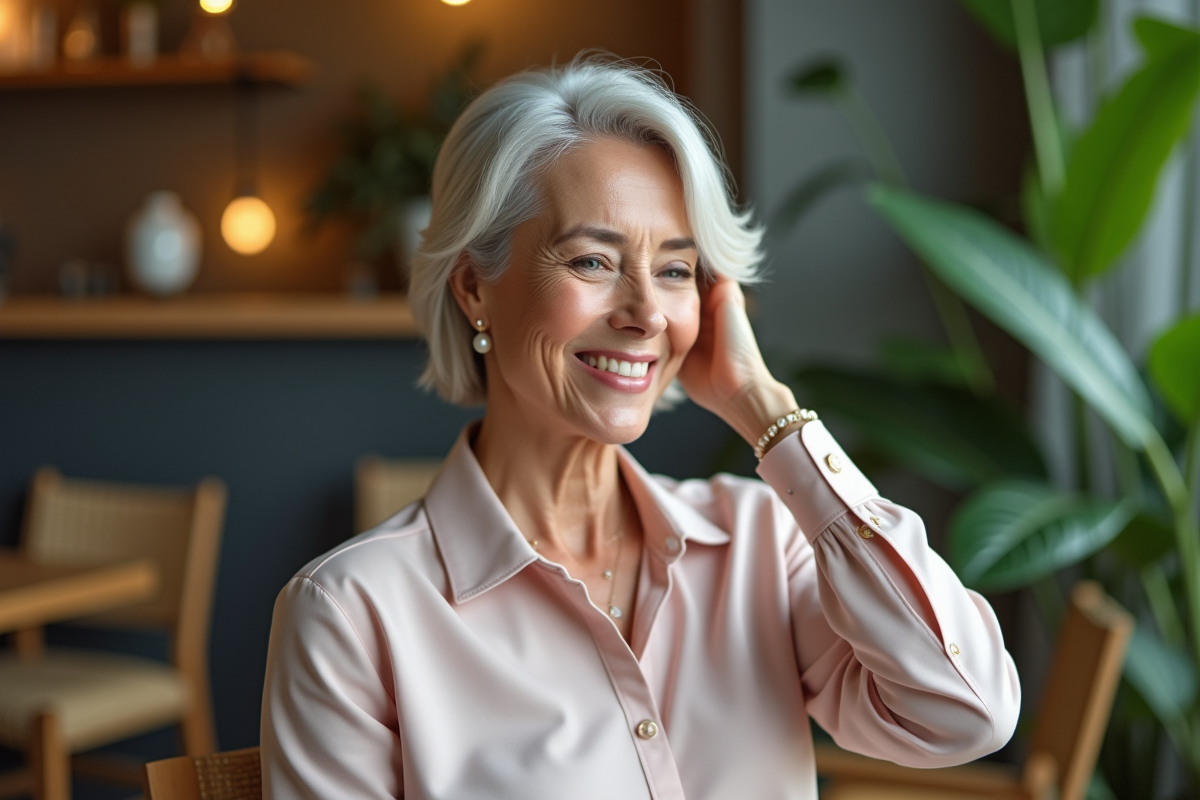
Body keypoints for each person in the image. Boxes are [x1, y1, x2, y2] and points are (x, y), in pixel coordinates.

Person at [261, 57, 1020, 800]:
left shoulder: (761, 543)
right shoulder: (351, 613)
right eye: (594, 262)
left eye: (677, 270)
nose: (647, 315)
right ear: (473, 288)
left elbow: (966, 713)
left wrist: (766, 409)